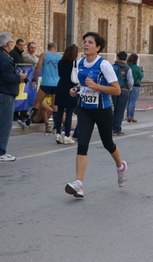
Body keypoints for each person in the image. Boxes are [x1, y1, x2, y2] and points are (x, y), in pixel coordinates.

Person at [65, 32, 128, 198]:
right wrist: (76, 90)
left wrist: (97, 86)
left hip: (103, 110)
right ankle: (78, 184)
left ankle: (120, 166)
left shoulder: (104, 65)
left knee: (108, 143)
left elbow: (116, 90)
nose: (86, 45)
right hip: (84, 109)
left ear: (98, 47)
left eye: (90, 42)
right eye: (84, 42)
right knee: (82, 144)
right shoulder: (79, 63)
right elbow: (83, 83)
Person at [0, 33, 27, 162]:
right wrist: (19, 77)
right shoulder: (4, 58)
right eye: (11, 42)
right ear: (7, 44)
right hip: (4, 94)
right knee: (4, 124)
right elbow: (8, 77)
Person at [26, 42, 62, 133]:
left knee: (37, 103)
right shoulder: (60, 56)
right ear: (55, 47)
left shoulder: (44, 55)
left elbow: (38, 68)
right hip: (57, 83)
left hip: (46, 83)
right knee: (55, 106)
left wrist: (34, 79)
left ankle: (27, 123)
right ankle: (56, 127)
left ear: (48, 48)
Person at [55, 44, 78, 145]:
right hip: (71, 87)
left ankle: (58, 134)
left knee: (59, 111)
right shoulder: (75, 63)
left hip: (60, 86)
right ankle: (67, 136)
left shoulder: (60, 62)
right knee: (69, 113)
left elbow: (59, 74)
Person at [112, 51, 133, 135]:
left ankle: (111, 127)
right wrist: (129, 88)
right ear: (125, 58)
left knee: (114, 109)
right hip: (124, 91)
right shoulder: (127, 68)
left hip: (113, 90)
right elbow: (130, 81)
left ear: (117, 57)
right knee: (120, 110)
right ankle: (117, 129)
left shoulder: (113, 67)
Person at [9, 38, 26, 122]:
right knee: (14, 95)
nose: (22, 47)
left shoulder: (19, 53)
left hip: (18, 76)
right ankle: (14, 114)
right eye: (20, 45)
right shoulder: (13, 53)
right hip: (15, 76)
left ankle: (17, 114)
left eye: (23, 45)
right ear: (16, 45)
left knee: (17, 95)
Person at [126, 53, 144, 122]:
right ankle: (131, 116)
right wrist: (142, 70)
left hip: (128, 85)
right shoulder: (137, 68)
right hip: (136, 85)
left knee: (128, 101)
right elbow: (141, 76)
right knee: (133, 101)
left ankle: (127, 115)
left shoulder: (127, 66)